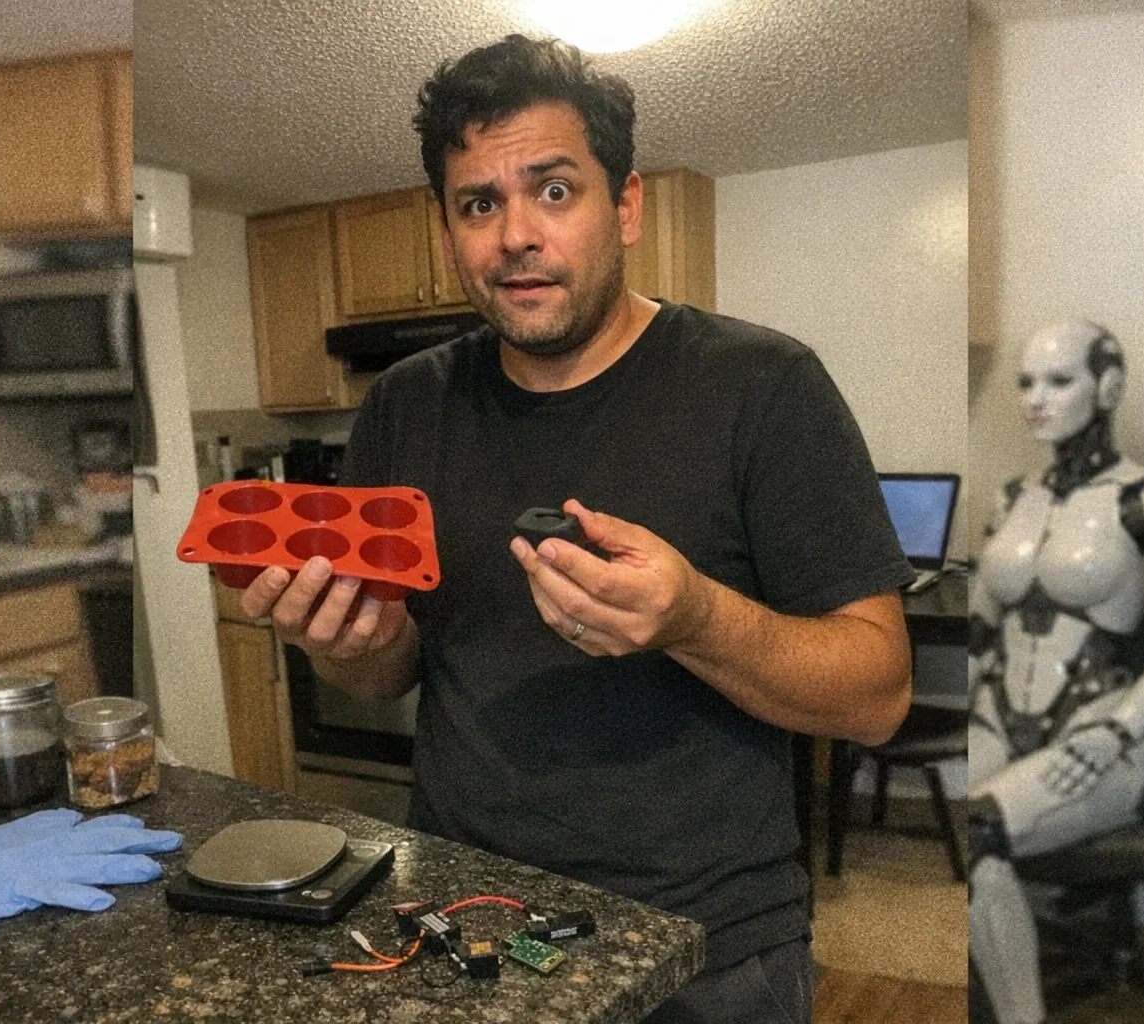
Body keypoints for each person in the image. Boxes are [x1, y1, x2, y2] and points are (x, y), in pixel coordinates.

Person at [243, 34, 913, 1023]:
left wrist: (693, 618)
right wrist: (350, 642)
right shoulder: (404, 406)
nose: (516, 233)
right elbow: (391, 672)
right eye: (480, 202)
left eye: (553, 190)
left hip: (705, 948)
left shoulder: (763, 388)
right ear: (448, 230)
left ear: (625, 205)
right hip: (465, 914)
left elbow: (880, 693)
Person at [967, 320, 1144, 1024]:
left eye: (1058, 380)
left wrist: (1112, 733)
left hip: (1112, 731)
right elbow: (983, 632)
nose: (1035, 399)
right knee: (950, 843)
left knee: (976, 832)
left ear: (1107, 386)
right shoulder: (1012, 497)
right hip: (1003, 718)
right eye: (1025, 382)